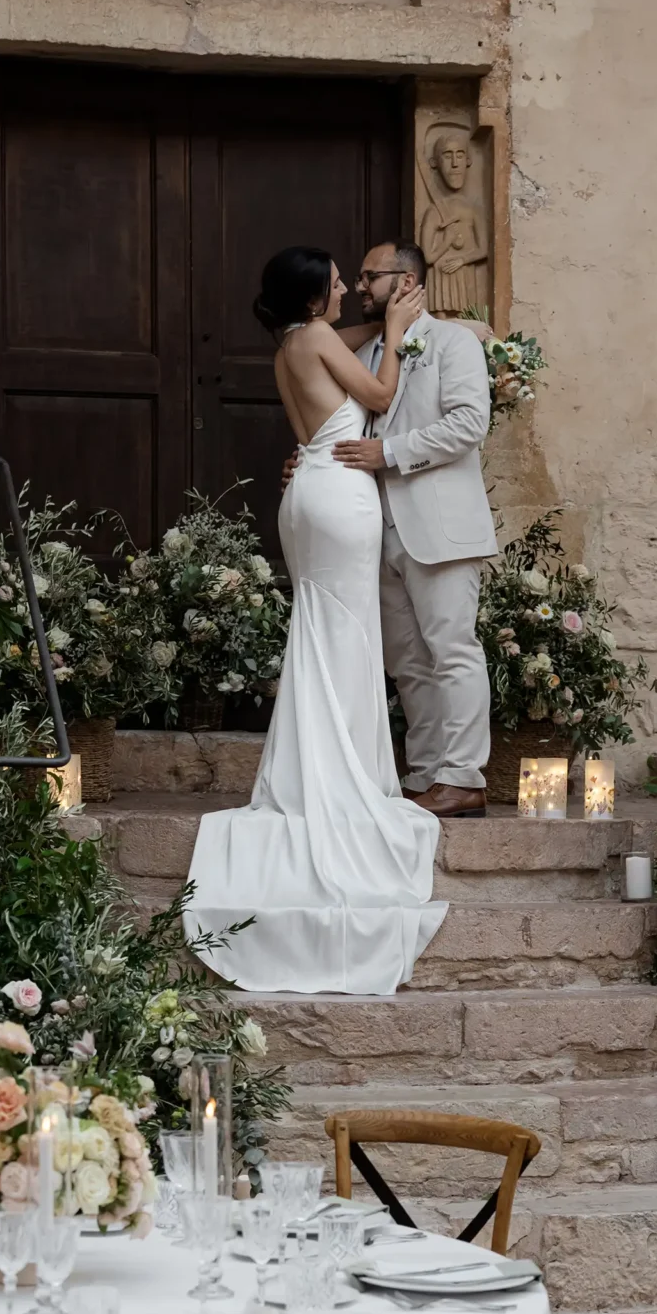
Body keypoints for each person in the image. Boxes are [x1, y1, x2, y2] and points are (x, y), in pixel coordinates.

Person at [181, 246, 448, 996]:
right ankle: (347, 779)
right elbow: (382, 392)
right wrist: (396, 331)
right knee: (347, 638)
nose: (344, 288)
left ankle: (323, 767)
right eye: (334, 281)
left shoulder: (287, 348)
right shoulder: (322, 337)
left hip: (307, 494)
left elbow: (328, 403)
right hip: (340, 499)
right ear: (311, 298)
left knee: (323, 637)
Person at [331, 240, 498, 818]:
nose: (358, 287)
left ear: (405, 281)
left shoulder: (455, 342)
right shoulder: (375, 349)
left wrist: (391, 453)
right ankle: (427, 773)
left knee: (452, 649)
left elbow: (469, 423)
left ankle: (465, 776)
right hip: (378, 528)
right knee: (407, 662)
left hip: (441, 525)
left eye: (368, 276)